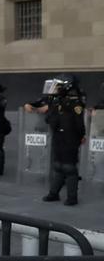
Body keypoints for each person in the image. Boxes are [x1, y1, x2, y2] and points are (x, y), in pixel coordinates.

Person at [24, 74, 86, 205]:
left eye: (58, 86)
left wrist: (81, 136)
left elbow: (79, 124)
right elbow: (42, 103)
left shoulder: (75, 102)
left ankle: (72, 197)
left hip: (70, 137)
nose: (55, 89)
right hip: (58, 135)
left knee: (69, 168)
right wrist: (30, 105)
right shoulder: (56, 99)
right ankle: (54, 193)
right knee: (58, 166)